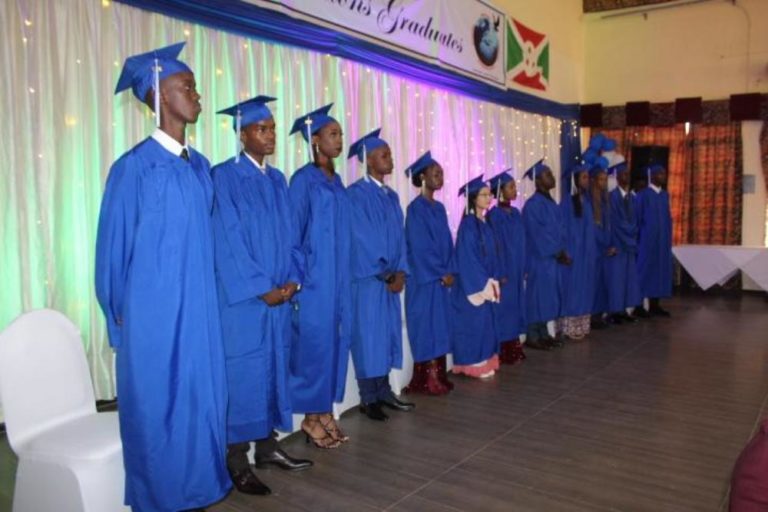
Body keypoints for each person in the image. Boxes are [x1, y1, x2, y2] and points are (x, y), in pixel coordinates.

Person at [95, 42, 229, 511]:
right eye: (185, 86)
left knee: (199, 402)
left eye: (194, 85)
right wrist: (121, 320)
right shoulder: (133, 169)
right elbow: (112, 254)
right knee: (158, 410)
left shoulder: (201, 167)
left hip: (198, 310)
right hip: (153, 314)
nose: (196, 95)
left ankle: (195, 494)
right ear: (157, 94)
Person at [211, 96, 313, 497]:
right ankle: (236, 460)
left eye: (272, 128)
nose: (270, 135)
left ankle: (268, 448)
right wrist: (261, 287)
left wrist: (292, 280)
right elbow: (228, 241)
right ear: (242, 133)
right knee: (245, 376)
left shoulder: (277, 179)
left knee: (272, 369)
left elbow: (291, 236)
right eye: (261, 128)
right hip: (245, 303)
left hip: (277, 297)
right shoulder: (225, 177)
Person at [288, 104, 351, 448]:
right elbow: (292, 235)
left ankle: (323, 411)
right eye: (332, 134)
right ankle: (311, 420)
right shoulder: (302, 181)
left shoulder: (337, 181)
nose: (339, 139)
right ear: (314, 140)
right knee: (314, 349)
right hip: (314, 284)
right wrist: (299, 281)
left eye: (340, 133)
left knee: (333, 345)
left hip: (337, 281)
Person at [346, 129, 414, 421]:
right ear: (369, 161)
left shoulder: (390, 195)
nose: (391, 159)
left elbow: (399, 237)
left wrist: (400, 272)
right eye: (384, 155)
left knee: (385, 337)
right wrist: (386, 274)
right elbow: (361, 239)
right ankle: (368, 398)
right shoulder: (355, 195)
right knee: (368, 338)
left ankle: (384, 392)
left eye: (389, 153)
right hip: (368, 281)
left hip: (390, 280)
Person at [403, 151, 455, 395]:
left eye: (441, 173)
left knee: (440, 326)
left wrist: (450, 269)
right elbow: (420, 246)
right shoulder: (415, 209)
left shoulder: (439, 207)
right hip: (424, 281)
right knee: (427, 327)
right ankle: (427, 379)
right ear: (422, 176)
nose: (440, 177)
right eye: (435, 173)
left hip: (440, 279)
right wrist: (439, 272)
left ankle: (439, 376)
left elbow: (446, 243)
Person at [451, 176, 501, 379]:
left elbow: (492, 254)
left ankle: (485, 359)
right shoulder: (468, 226)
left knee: (485, 324)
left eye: (489, 194)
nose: (489, 198)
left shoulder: (484, 223)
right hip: (473, 286)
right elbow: (467, 259)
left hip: (486, 281)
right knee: (473, 325)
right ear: (472, 198)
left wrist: (494, 277)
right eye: (484, 195)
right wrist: (483, 283)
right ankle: (472, 364)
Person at [522, 160, 570, 350]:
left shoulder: (551, 202)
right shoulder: (533, 205)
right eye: (548, 175)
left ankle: (543, 333)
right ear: (538, 181)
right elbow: (537, 235)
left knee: (547, 298)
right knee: (537, 298)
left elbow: (559, 230)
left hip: (552, 259)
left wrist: (562, 250)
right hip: (539, 259)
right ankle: (533, 336)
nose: (552, 177)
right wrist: (557, 251)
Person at [486, 169, 527, 363]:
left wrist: (524, 266)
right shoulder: (494, 215)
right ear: (500, 190)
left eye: (515, 186)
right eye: (511, 187)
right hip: (505, 271)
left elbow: (522, 241)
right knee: (505, 309)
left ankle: (514, 346)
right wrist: (500, 271)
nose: (515, 190)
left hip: (517, 268)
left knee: (516, 307)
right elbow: (495, 246)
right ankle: (503, 349)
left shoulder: (517, 213)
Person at [557, 162, 596, 340]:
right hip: (572, 253)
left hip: (585, 254)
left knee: (584, 288)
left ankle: (581, 325)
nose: (587, 181)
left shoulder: (586, 202)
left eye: (588, 177)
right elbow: (562, 229)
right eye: (584, 177)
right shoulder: (566, 203)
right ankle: (569, 327)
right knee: (572, 289)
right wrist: (566, 250)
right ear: (575, 180)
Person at [606, 160, 642, 323]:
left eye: (628, 174)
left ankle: (624, 310)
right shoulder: (612, 197)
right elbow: (616, 222)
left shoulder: (632, 198)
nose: (627, 177)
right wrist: (629, 235)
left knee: (627, 278)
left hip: (628, 244)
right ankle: (615, 311)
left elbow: (636, 220)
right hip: (618, 244)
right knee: (617, 279)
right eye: (623, 174)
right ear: (617, 177)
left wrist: (632, 233)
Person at [636, 164, 673, 316]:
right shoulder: (643, 195)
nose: (663, 176)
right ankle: (638, 305)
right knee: (644, 271)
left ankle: (654, 305)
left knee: (659, 271)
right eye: (661, 174)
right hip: (647, 240)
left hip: (662, 240)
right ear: (653, 176)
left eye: (664, 173)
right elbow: (638, 218)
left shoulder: (664, 195)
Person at [588, 157, 618, 329]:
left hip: (606, 248)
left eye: (605, 179)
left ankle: (600, 314)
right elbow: (593, 228)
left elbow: (609, 225)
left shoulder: (606, 201)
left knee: (604, 284)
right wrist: (604, 245)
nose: (603, 182)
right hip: (596, 249)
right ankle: (593, 315)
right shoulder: (590, 202)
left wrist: (611, 244)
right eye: (600, 179)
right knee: (595, 284)